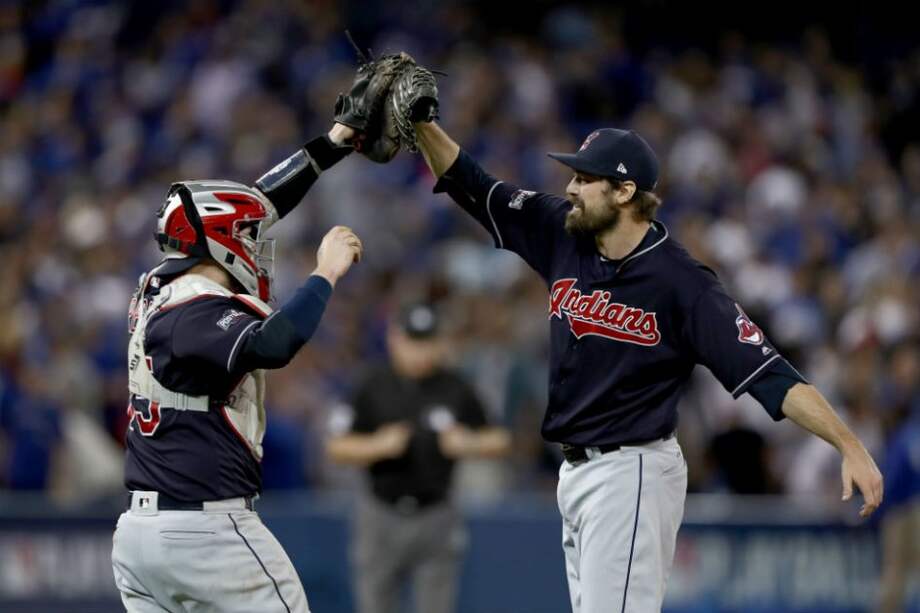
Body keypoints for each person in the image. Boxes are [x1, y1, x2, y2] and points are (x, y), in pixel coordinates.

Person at [380, 117, 882, 613]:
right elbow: (474, 186)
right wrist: (423, 124)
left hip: (632, 471)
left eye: (585, 178)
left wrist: (848, 443)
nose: (570, 188)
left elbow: (769, 373)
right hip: (577, 474)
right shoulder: (563, 230)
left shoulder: (683, 284)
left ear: (624, 192)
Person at [111, 123, 363, 613]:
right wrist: (325, 272)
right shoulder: (193, 307)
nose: (254, 241)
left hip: (142, 535)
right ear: (220, 241)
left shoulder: (159, 287)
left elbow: (259, 203)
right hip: (204, 532)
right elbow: (274, 343)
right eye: (246, 235)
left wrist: (332, 143)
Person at [325, 301, 511, 613]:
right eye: (413, 341)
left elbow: (500, 438)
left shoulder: (455, 385)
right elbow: (335, 446)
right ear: (394, 339)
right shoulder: (370, 383)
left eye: (427, 341)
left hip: (436, 512)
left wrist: (469, 443)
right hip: (381, 512)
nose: (420, 351)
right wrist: (377, 445)